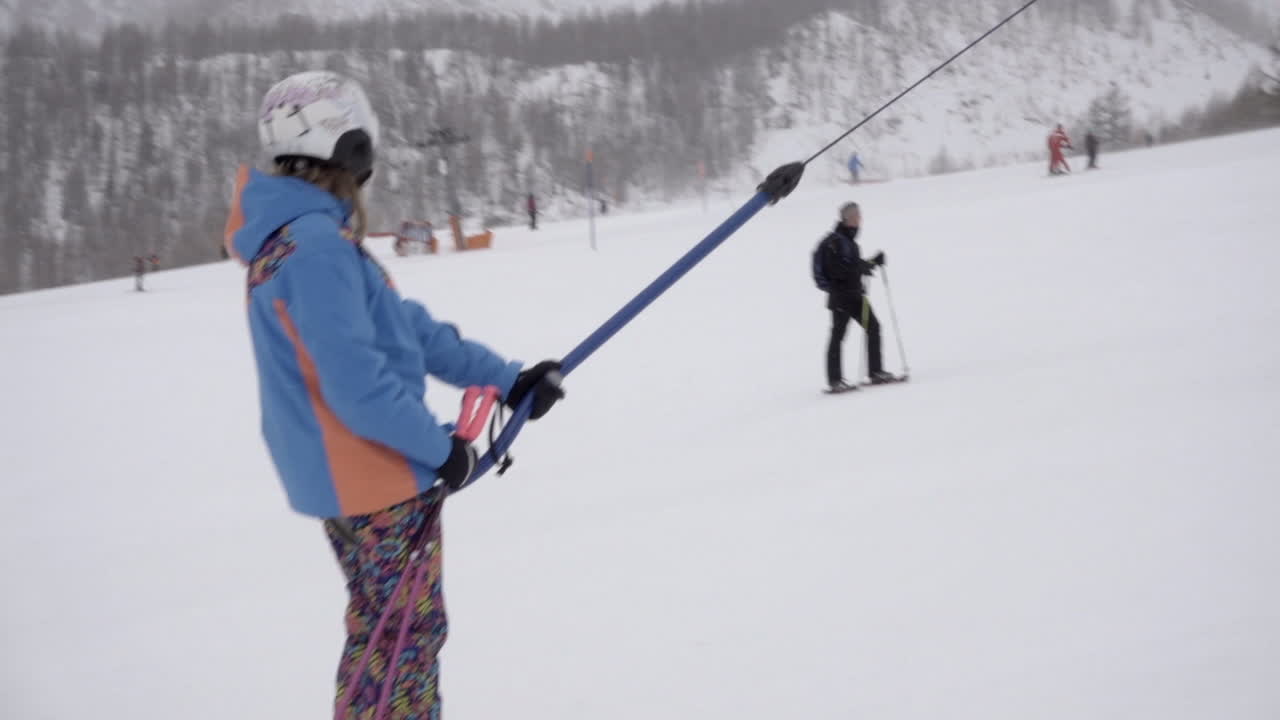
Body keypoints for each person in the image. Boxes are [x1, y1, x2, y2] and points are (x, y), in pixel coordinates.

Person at [225, 71, 565, 720]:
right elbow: (358, 388)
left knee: (385, 632)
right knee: (404, 638)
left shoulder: (293, 242)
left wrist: (505, 377)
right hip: (375, 477)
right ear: (346, 145)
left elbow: (404, 330)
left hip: (346, 479)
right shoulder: (318, 249)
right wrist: (439, 449)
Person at [812, 202, 892, 391]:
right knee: (838, 336)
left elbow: (853, 265)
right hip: (841, 298)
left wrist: (872, 262)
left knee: (873, 327)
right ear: (848, 219)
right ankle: (835, 381)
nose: (860, 219)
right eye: (856, 216)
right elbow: (837, 270)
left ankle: (876, 372)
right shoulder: (835, 242)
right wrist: (861, 267)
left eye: (859, 216)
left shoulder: (849, 242)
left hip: (855, 296)